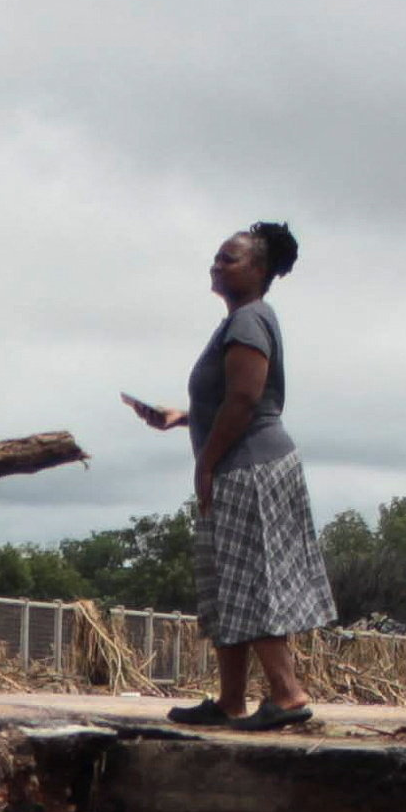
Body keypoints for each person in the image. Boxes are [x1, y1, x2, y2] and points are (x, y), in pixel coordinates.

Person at [125, 220, 329, 729]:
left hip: (251, 467)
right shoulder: (245, 320)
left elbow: (245, 399)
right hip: (245, 463)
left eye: (229, 258)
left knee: (254, 580)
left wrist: (207, 460)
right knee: (228, 584)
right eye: (217, 257)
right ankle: (231, 699)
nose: (217, 265)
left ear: (259, 270)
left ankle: (286, 694)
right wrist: (183, 417)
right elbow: (230, 399)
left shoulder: (248, 321)